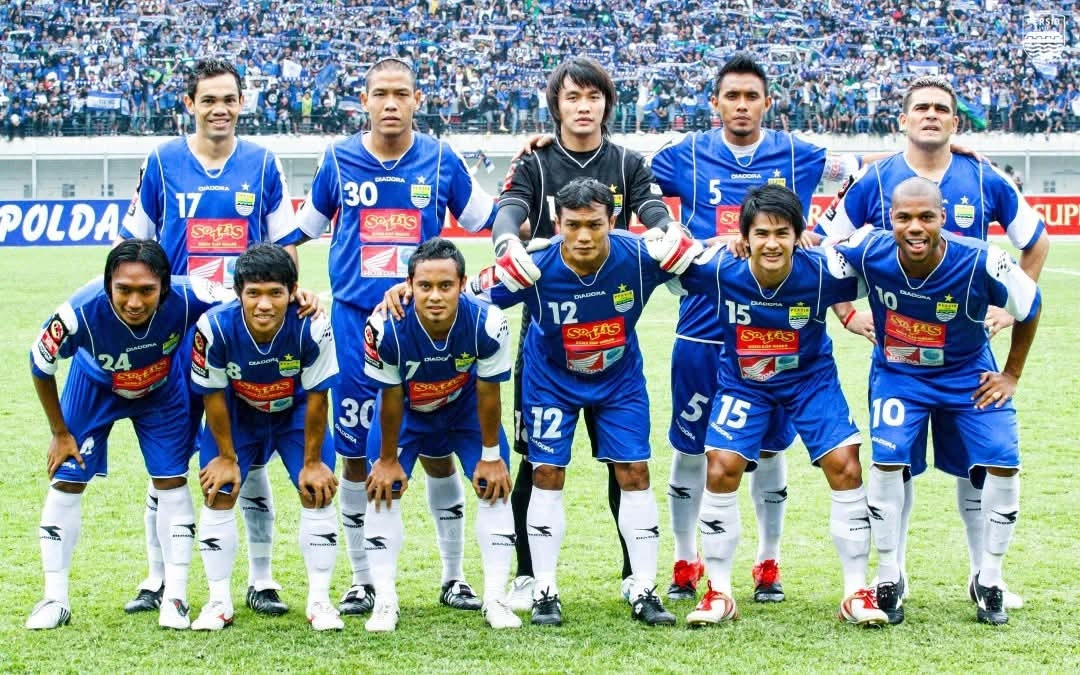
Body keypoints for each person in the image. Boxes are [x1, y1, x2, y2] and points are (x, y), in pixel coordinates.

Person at [817, 75, 1048, 617]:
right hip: (900, 362)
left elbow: (1035, 245)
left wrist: (1005, 312)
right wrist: (847, 312)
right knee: (892, 462)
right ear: (903, 119)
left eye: (941, 108)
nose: (930, 115)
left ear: (954, 120)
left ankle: (986, 576)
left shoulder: (983, 175)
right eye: (920, 107)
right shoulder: (875, 180)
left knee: (985, 464)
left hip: (968, 356)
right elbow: (824, 249)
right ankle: (891, 575)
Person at [648, 53, 862, 604]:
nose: (741, 106)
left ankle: (768, 560)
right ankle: (685, 557)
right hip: (703, 328)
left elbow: (862, 173)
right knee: (692, 449)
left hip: (776, 327)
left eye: (751, 97)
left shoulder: (799, 153)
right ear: (715, 103)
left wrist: (819, 230)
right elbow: (628, 176)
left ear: (767, 103)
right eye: (732, 97)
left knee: (768, 448)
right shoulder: (684, 154)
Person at [294, 57, 498, 619]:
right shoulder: (337, 159)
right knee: (355, 456)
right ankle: (362, 581)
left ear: (417, 100)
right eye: (380, 93)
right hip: (355, 325)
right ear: (364, 100)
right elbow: (300, 231)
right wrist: (293, 286)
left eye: (401, 93)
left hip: (426, 325)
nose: (390, 103)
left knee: (437, 452)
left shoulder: (442, 159)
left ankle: (454, 577)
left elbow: (493, 218)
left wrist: (532, 172)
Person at [488, 56, 680, 611]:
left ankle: (634, 576)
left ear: (606, 105)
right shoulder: (535, 159)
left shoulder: (627, 162)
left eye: (593, 96)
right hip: (548, 332)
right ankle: (530, 576)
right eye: (572, 97)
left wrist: (665, 233)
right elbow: (509, 210)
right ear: (556, 105)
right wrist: (507, 245)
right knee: (538, 462)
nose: (583, 106)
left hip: (610, 331)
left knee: (627, 462)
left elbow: (653, 208)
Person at [120, 58, 306, 619]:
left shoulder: (263, 163)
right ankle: (157, 577)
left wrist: (290, 300)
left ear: (241, 103)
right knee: (170, 460)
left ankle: (262, 579)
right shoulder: (161, 162)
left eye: (229, 99)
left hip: (246, 334)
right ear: (190, 105)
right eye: (209, 100)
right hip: (177, 334)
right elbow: (133, 247)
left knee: (248, 460)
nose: (219, 109)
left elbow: (284, 244)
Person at [472, 177, 697, 627]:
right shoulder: (535, 266)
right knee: (547, 472)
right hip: (551, 381)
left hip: (619, 382)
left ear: (612, 221)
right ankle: (545, 590)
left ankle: (644, 588)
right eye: (572, 225)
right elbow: (466, 295)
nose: (583, 236)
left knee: (634, 472)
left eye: (594, 224)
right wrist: (409, 292)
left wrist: (698, 244)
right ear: (557, 223)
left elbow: (711, 271)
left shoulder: (639, 257)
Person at [668, 184, 886, 627]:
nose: (772, 244)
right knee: (721, 466)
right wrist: (717, 243)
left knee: (846, 464)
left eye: (783, 233)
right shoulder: (720, 268)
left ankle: (855, 591)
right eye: (761, 234)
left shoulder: (823, 271)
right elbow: (667, 264)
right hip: (744, 383)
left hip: (810, 380)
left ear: (797, 236)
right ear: (745, 237)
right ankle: (719, 592)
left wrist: (831, 246)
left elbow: (877, 266)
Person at [26, 240, 222, 631]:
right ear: (108, 286)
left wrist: (298, 296)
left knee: (172, 482)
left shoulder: (192, 294)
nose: (134, 301)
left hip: (161, 391)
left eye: (146, 290)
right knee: (66, 480)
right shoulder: (78, 312)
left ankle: (176, 598)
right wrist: (59, 432)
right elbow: (39, 361)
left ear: (164, 287)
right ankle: (54, 598)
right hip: (93, 388)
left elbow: (250, 296)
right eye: (124, 290)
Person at [362, 238, 518, 633]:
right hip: (406, 414)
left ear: (462, 284)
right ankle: (385, 601)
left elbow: (489, 391)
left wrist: (490, 455)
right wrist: (387, 460)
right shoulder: (384, 326)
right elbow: (389, 396)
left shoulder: (487, 322)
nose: (434, 296)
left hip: (464, 411)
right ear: (409, 285)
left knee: (494, 486)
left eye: (445, 286)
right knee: (382, 488)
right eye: (425, 286)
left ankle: (496, 599)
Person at [188, 244, 342, 631]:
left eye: (275, 293)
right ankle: (218, 601)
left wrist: (312, 463)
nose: (264, 304)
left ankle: (320, 601)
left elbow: (319, 397)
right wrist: (226, 457)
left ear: (293, 292)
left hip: (296, 414)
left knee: (317, 491)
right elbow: (212, 395)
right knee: (219, 491)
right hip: (238, 413)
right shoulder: (214, 327)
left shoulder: (313, 324)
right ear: (238, 292)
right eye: (253, 293)